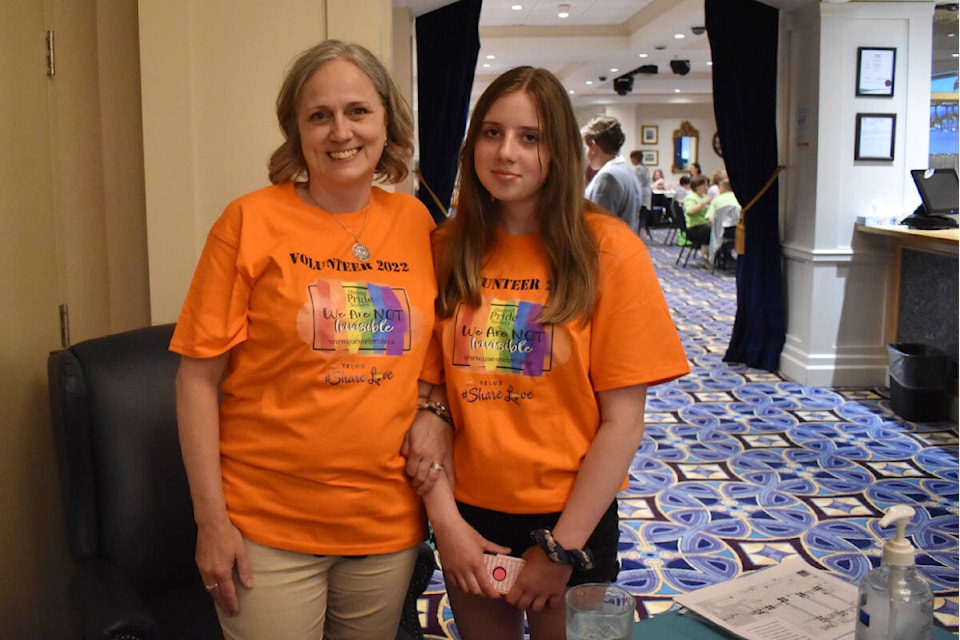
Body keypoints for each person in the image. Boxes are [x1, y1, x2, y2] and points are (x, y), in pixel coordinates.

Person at [169, 40, 451, 639]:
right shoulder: (248, 222)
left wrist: (435, 408)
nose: (340, 131)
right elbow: (196, 381)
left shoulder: (416, 223)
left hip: (384, 525)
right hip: (266, 528)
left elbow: (436, 350)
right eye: (318, 115)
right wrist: (211, 522)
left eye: (358, 111)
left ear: (386, 123)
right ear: (296, 131)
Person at [420, 66, 690, 640]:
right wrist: (447, 524)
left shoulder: (609, 251)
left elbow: (623, 421)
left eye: (530, 137)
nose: (506, 153)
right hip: (472, 515)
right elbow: (428, 398)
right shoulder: (445, 248)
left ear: (561, 149)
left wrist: (561, 547)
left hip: (572, 515)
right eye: (491, 133)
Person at [581, 115, 643, 233]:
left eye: (586, 147)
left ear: (594, 146)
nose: (586, 152)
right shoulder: (626, 170)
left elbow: (599, 227)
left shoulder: (608, 177)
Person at [682, 174, 714, 246]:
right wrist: (703, 203)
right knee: (717, 231)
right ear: (697, 186)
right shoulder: (691, 197)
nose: (707, 187)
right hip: (694, 228)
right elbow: (690, 211)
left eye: (707, 185)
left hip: (705, 225)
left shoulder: (704, 196)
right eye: (704, 185)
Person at [628, 150, 653, 234]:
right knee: (643, 216)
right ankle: (641, 232)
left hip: (641, 194)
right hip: (646, 194)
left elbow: (636, 183)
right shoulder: (645, 168)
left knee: (640, 216)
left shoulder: (638, 169)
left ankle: (640, 233)